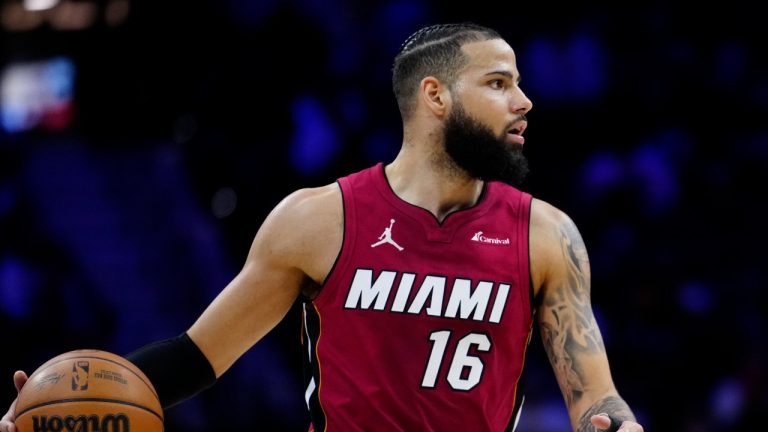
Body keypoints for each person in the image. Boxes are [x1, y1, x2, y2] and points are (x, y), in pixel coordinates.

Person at [1, 22, 644, 432]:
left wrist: (613, 423)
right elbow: (196, 357)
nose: (522, 101)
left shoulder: (545, 234)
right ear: (436, 96)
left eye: (519, 84)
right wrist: (70, 402)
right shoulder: (317, 219)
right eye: (498, 83)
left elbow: (594, 397)